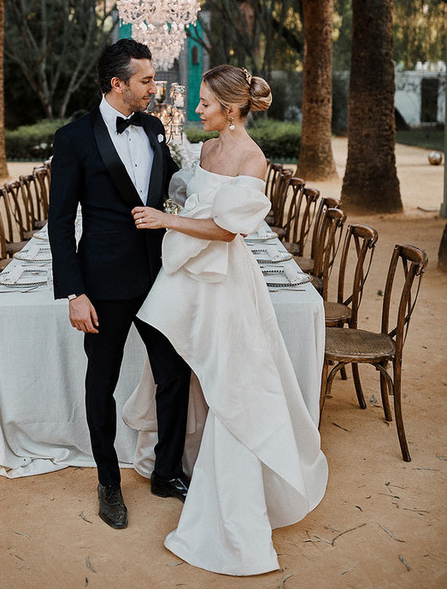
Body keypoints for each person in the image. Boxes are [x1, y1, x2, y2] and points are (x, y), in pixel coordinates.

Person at [125, 64, 328, 575]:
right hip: (185, 274)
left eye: (206, 104)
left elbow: (227, 231)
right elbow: (196, 195)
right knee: (167, 351)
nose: (198, 110)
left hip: (221, 281)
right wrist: (173, 199)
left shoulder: (250, 157)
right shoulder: (209, 148)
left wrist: (167, 219)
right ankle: (173, 460)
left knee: (231, 379)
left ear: (232, 109)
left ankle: (228, 492)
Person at [47, 39, 191, 530]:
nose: (155, 88)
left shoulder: (154, 128)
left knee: (173, 373)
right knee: (101, 382)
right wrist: (74, 291)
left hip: (159, 276)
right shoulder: (73, 139)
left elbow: (175, 191)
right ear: (117, 84)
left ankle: (167, 472)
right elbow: (60, 221)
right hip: (102, 283)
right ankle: (109, 483)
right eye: (146, 80)